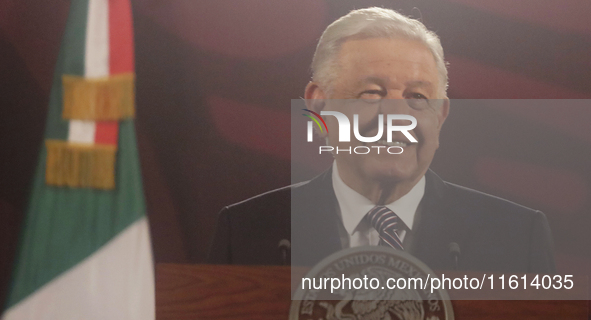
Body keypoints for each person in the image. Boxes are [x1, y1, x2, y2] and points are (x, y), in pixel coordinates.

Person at [208, 7, 555, 273]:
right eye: (372, 93)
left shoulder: (516, 238)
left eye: (417, 97)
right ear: (318, 104)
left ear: (441, 115)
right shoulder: (248, 232)